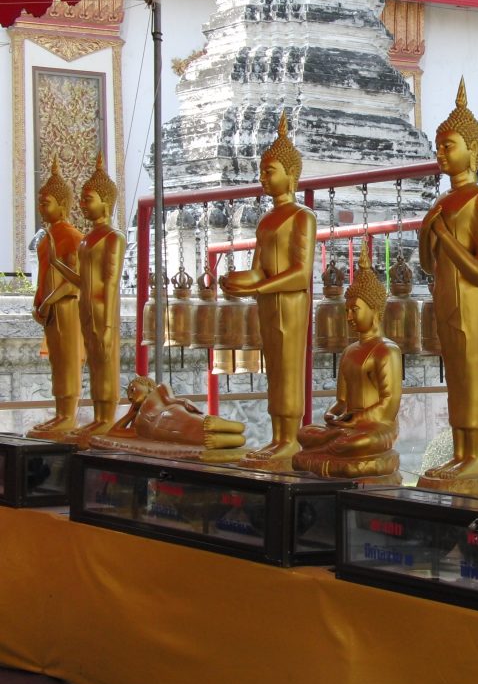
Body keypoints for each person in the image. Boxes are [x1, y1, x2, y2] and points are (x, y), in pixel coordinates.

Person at [220, 112, 315, 469]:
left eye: (270, 170)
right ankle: (277, 436)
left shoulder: (302, 216)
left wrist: (259, 287)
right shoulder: (266, 220)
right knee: (273, 370)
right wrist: (236, 280)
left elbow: (300, 273)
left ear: (291, 174)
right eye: (262, 171)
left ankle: (290, 439)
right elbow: (259, 267)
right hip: (268, 303)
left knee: (289, 369)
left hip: (290, 304)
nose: (263, 177)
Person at [418, 79, 478, 481]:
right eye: (439, 146)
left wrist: (444, 235)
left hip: (474, 303)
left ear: (473, 149)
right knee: (456, 379)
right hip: (447, 302)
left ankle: (477, 457)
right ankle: (459, 451)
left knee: (474, 376)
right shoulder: (440, 203)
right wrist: (426, 232)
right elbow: (428, 266)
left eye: (449, 145)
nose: (441, 153)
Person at [294, 244, 402, 480]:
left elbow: (389, 405)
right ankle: (330, 446)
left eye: (355, 310)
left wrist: (356, 420)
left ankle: (328, 449)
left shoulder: (387, 351)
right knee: (305, 433)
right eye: (347, 311)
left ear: (374, 309)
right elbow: (342, 401)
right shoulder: (349, 351)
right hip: (345, 426)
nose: (349, 316)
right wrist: (332, 414)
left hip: (376, 427)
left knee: (354, 442)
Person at [52, 153, 126, 442]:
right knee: (95, 364)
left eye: (88, 199)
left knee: (106, 362)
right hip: (86, 306)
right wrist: (58, 264)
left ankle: (107, 418)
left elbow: (111, 282)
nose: (83, 205)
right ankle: (97, 416)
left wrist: (107, 323)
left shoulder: (113, 237)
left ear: (105, 201)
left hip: (103, 309)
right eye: (82, 199)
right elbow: (83, 281)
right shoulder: (86, 239)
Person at [28, 157, 83, 438]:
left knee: (69, 361)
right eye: (40, 203)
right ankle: (61, 413)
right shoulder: (47, 238)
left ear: (62, 204)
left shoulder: (73, 237)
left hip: (67, 307)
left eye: (46, 203)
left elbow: (75, 281)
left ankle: (69, 415)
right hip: (50, 309)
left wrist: (49, 300)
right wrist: (39, 302)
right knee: (58, 363)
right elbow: (44, 276)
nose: (41, 208)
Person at [99, 376, 246, 452]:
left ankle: (234, 430)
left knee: (198, 426)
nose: (130, 396)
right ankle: (231, 438)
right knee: (198, 437)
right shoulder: (138, 425)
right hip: (160, 432)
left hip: (169, 414)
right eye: (128, 394)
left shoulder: (159, 389)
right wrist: (132, 413)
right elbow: (114, 431)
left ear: (148, 386)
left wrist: (183, 402)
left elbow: (170, 399)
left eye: (133, 390)